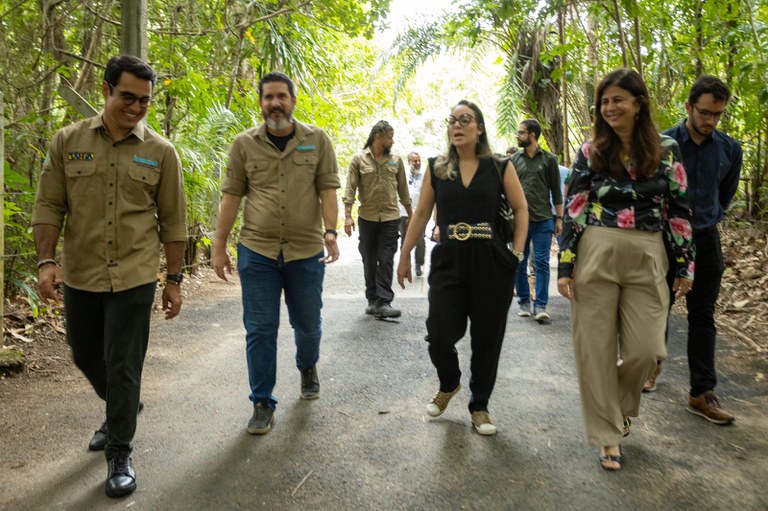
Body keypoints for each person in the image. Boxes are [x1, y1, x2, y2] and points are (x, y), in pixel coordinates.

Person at [32, 55, 187, 497]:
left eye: (145, 101)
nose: (136, 107)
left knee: (123, 365)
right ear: (106, 90)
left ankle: (120, 450)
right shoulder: (68, 141)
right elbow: (49, 205)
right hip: (82, 274)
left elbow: (173, 221)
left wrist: (173, 279)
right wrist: (46, 262)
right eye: (128, 97)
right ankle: (124, 406)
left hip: (135, 275)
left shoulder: (161, 152)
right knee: (84, 354)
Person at [557, 68, 694, 471]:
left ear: (638, 103)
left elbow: (679, 208)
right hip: (596, 251)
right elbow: (575, 208)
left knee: (647, 350)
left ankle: (616, 406)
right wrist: (566, 265)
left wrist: (685, 264)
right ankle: (608, 436)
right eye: (604, 101)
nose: (610, 107)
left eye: (618, 99)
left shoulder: (667, 149)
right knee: (595, 350)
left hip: (648, 253)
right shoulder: (591, 151)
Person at [212, 72, 340, 436]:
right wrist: (219, 247)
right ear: (260, 103)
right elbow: (231, 197)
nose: (275, 103)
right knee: (260, 329)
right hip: (258, 251)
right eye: (268, 97)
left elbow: (328, 191)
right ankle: (262, 402)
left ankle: (307, 365)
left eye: (282, 96)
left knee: (308, 324)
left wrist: (331, 231)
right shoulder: (243, 144)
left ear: (293, 101)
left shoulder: (317, 140)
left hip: (306, 252)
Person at [397, 100, 528, 436]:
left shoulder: (500, 166)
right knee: (439, 333)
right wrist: (405, 254)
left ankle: (480, 406)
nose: (456, 125)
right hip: (449, 259)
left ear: (479, 128)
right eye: (452, 120)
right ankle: (449, 382)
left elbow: (521, 208)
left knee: (487, 338)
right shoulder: (437, 167)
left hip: (491, 261)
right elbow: (421, 214)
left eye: (465, 119)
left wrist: (516, 254)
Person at [650, 76, 741, 424]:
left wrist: (705, 218)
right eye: (705, 112)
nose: (711, 120)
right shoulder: (664, 145)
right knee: (658, 307)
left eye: (717, 114)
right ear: (688, 107)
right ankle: (651, 364)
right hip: (665, 240)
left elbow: (725, 195)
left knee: (703, 315)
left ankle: (701, 393)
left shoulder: (729, 149)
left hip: (705, 239)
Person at [344, 121, 412, 318]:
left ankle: (384, 301)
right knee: (369, 259)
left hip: (390, 218)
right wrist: (347, 216)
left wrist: (412, 215)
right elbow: (350, 188)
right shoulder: (359, 159)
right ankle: (372, 299)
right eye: (389, 137)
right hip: (367, 218)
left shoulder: (396, 160)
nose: (392, 141)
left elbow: (403, 190)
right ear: (378, 136)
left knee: (386, 258)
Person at [511, 119, 564, 322]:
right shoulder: (514, 160)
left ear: (532, 135)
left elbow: (556, 191)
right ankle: (524, 302)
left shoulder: (549, 159)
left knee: (542, 262)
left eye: (521, 132)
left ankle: (540, 305)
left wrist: (559, 218)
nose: (517, 135)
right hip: (519, 221)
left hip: (543, 219)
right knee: (519, 261)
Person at [398, 151, 426, 276]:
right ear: (409, 162)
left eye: (419, 160)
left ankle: (419, 264)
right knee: (405, 240)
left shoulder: (424, 174)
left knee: (420, 240)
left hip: (419, 213)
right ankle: (406, 264)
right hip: (404, 212)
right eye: (415, 161)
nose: (418, 163)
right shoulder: (403, 174)